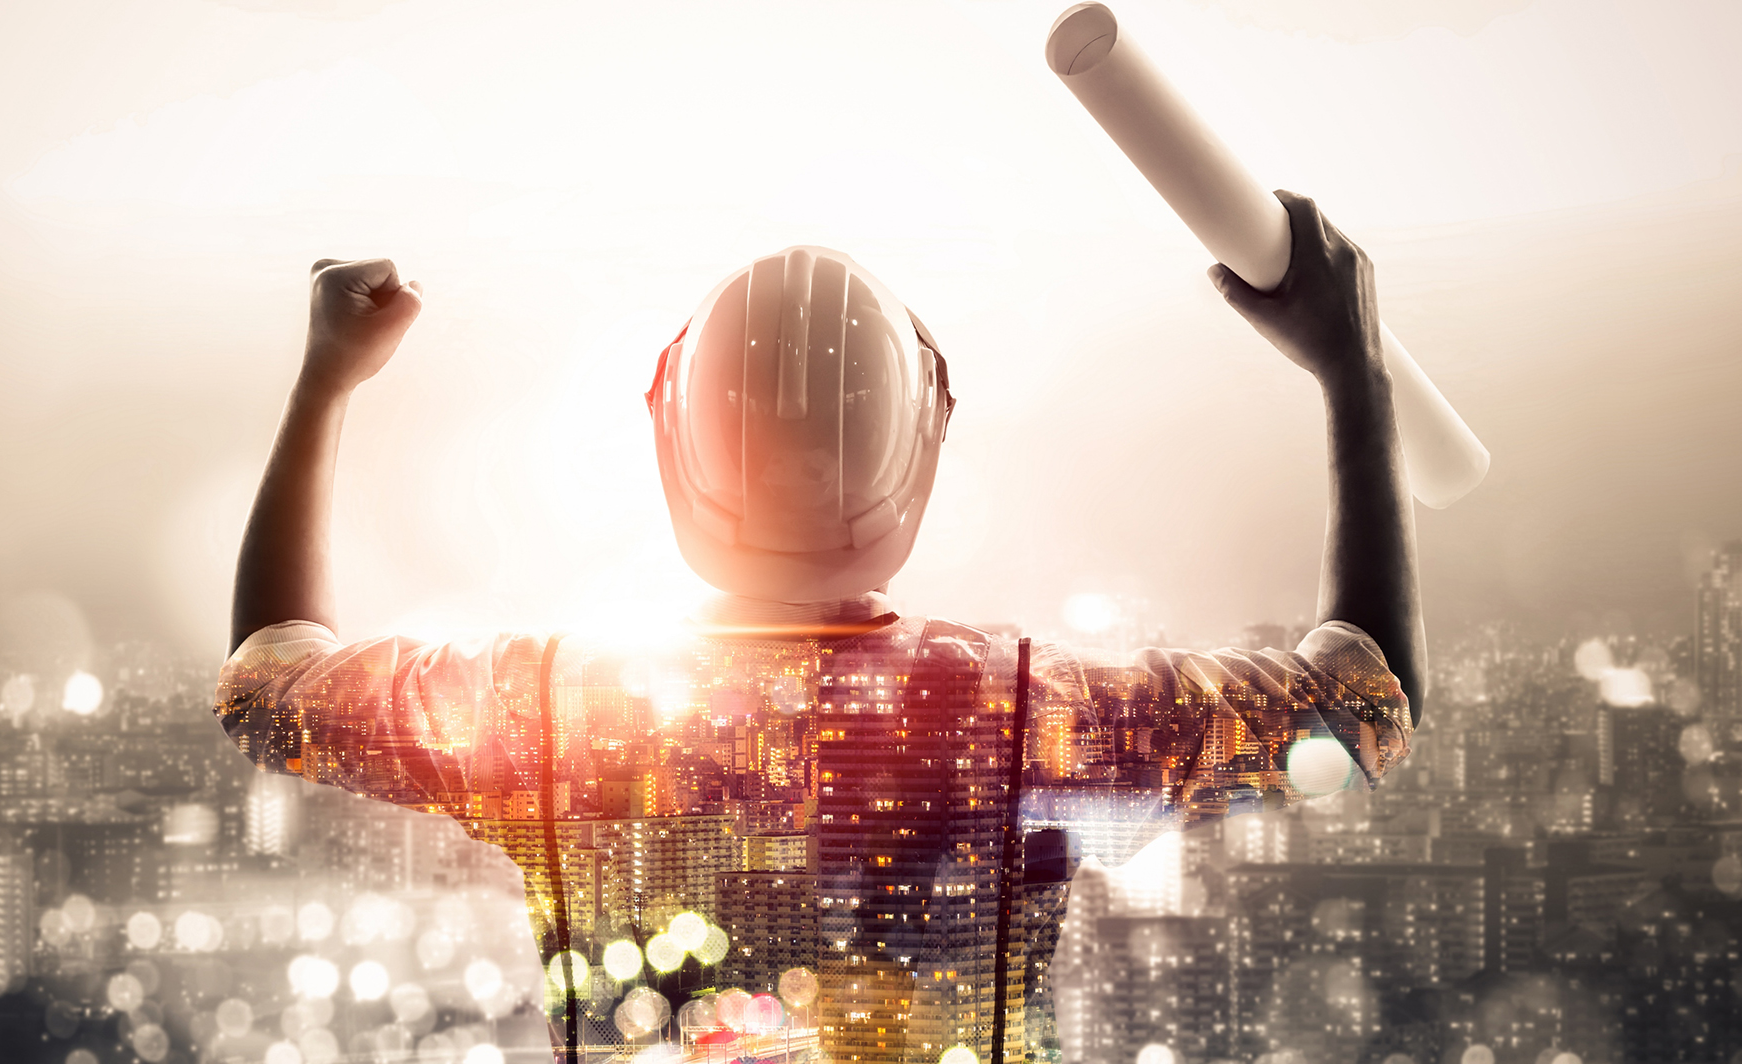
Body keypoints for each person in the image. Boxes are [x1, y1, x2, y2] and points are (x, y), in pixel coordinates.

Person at [215, 191, 1420, 1064]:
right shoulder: (1030, 712)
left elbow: (267, 682)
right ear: (922, 447)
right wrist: (1349, 371)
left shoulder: (551, 706)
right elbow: (1362, 706)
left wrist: (325, 379)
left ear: (670, 438)